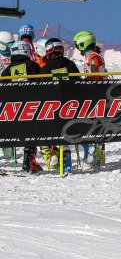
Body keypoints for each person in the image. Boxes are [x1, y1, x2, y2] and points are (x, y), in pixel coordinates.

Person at [41, 38, 80, 174]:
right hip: (71, 106)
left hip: (52, 108)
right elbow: (79, 83)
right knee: (67, 134)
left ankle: (52, 156)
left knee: (44, 130)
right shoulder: (70, 64)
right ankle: (67, 160)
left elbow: (39, 90)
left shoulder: (45, 68)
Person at [3, 42, 43, 172]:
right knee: (32, 134)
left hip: (12, 110)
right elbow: (44, 84)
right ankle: (30, 161)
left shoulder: (7, 69)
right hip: (32, 108)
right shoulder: (33, 65)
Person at [74, 30, 107, 169]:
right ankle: (95, 157)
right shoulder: (91, 56)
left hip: (96, 93)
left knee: (96, 125)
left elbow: (94, 74)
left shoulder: (93, 56)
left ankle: (98, 158)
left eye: (78, 45)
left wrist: (85, 81)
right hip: (95, 93)